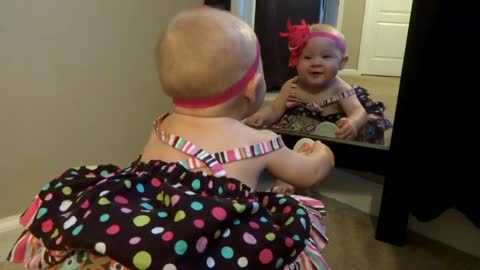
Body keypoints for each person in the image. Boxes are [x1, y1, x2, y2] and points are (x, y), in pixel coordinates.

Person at [7, 8, 334, 270]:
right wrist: (322, 154)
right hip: (211, 239)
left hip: (145, 224)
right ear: (253, 88)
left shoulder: (162, 125)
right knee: (284, 229)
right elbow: (308, 173)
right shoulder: (261, 142)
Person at [245, 20, 392, 195]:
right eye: (307, 57)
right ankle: (283, 168)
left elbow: (359, 112)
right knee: (272, 141)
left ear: (342, 62)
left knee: (311, 152)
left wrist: (352, 123)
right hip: (295, 131)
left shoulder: (341, 89)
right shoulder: (292, 85)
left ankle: (288, 178)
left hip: (326, 136)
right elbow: (275, 109)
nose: (316, 63)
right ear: (295, 60)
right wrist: (262, 116)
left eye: (326, 57)